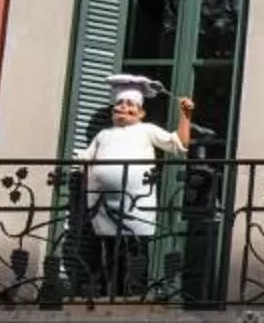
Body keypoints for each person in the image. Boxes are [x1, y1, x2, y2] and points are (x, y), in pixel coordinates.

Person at [78, 73, 191, 298]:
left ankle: (135, 292)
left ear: (140, 112)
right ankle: (110, 291)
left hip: (136, 202)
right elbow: (85, 160)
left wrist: (185, 114)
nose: (122, 107)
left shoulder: (146, 130)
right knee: (109, 250)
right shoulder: (103, 134)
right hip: (103, 203)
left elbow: (179, 144)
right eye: (119, 103)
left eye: (129, 104)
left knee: (135, 249)